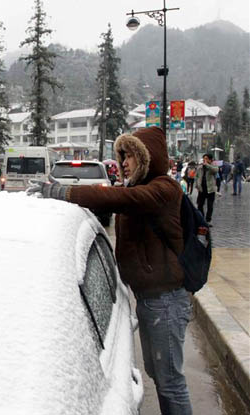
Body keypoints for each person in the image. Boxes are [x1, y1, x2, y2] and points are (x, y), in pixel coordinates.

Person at [30, 127, 193, 414]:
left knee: (171, 383)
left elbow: (118, 199)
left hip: (165, 301)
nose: (125, 162)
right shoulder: (139, 189)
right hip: (149, 298)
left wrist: (61, 191)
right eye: (122, 156)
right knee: (161, 376)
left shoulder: (163, 189)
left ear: (148, 159)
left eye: (131, 155)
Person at [195, 153, 218, 225]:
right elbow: (197, 176)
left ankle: (208, 220)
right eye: (204, 158)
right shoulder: (200, 168)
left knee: (210, 205)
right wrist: (197, 185)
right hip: (202, 189)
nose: (205, 160)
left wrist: (207, 165)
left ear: (210, 160)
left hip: (210, 189)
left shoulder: (212, 166)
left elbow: (215, 170)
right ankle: (202, 219)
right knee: (200, 205)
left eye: (206, 159)